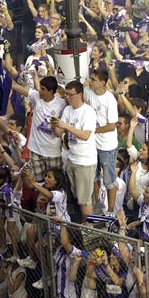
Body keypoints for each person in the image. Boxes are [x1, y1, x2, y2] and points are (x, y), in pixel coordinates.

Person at [51, 81, 98, 222]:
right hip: (72, 158)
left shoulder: (88, 112)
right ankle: (81, 224)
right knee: (76, 197)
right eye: (66, 94)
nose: (67, 97)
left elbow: (85, 135)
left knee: (84, 200)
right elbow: (59, 133)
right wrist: (54, 126)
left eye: (70, 95)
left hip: (85, 161)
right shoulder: (67, 110)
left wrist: (66, 126)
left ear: (80, 94)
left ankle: (88, 228)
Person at [84, 69, 119, 215]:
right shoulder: (88, 92)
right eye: (90, 78)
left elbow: (111, 126)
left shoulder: (110, 100)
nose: (90, 81)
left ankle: (110, 211)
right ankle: (100, 206)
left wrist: (92, 131)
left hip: (107, 146)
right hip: (93, 145)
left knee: (109, 180)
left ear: (102, 83)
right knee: (94, 176)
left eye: (93, 79)